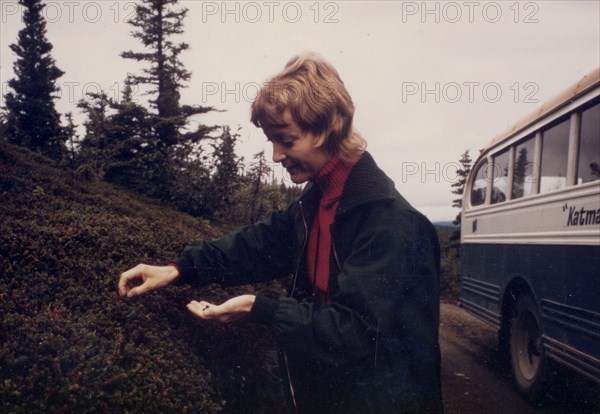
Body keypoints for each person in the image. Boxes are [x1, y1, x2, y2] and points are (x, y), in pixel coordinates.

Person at [118, 53, 443, 414]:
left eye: (286, 140)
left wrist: (261, 309)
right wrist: (178, 269)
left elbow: (358, 333)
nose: (275, 156)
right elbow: (257, 246)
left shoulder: (392, 223)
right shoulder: (316, 201)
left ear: (325, 129)